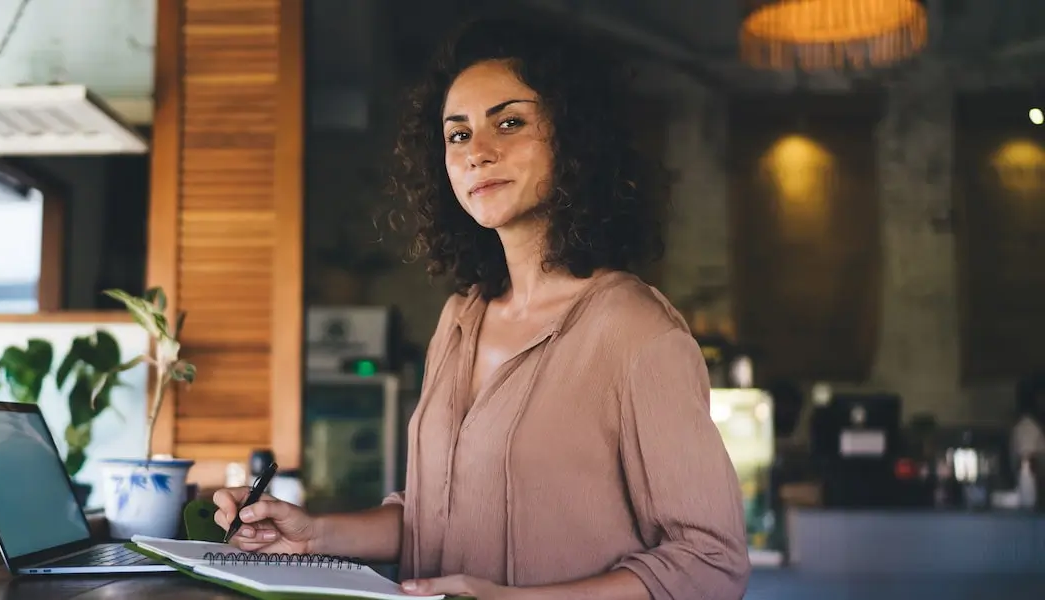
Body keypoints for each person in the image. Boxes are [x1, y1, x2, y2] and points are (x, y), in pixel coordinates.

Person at [213, 16, 750, 600]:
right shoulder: (458, 320)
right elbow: (434, 516)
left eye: (510, 123)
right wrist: (312, 532)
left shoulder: (636, 330)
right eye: (458, 134)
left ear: (574, 139)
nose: (478, 153)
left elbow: (710, 564)